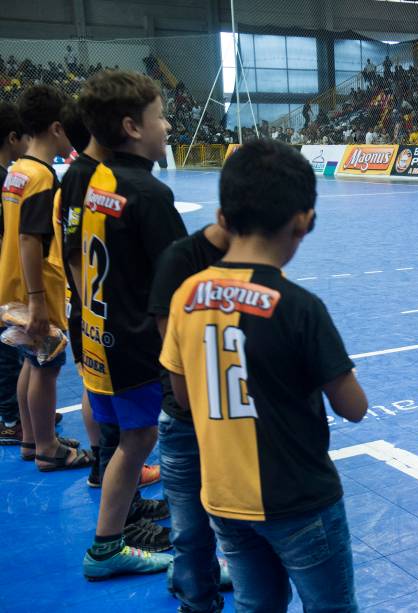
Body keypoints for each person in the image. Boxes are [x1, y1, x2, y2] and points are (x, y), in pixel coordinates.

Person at [160, 139, 368, 611]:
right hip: (300, 500)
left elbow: (183, 396)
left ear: (223, 218)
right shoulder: (300, 307)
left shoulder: (186, 293)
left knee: (256, 605)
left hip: (223, 498)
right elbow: (353, 408)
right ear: (304, 221)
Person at [74, 70, 187, 580]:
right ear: (132, 126)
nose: (167, 125)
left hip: (100, 339)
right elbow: (179, 287)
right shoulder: (150, 195)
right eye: (159, 116)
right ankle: (115, 548)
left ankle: (108, 541)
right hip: (139, 348)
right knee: (153, 443)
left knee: (129, 443)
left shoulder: (97, 180)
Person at [0, 85, 89, 470]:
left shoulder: (16, 172)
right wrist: (38, 298)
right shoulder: (40, 177)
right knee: (46, 367)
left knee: (29, 362)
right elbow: (29, 237)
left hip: (12, 284)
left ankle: (32, 437)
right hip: (34, 288)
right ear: (56, 128)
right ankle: (48, 449)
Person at [149, 220, 233, 612]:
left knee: (240, 529)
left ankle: (200, 580)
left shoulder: (254, 258)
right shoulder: (181, 259)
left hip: (233, 416)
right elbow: (175, 357)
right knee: (189, 531)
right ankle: (196, 597)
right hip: (189, 419)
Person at [0, 102, 30, 444]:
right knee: (9, 353)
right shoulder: (7, 180)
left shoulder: (9, 178)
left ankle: (21, 412)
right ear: (12, 138)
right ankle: (11, 418)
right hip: (5, 279)